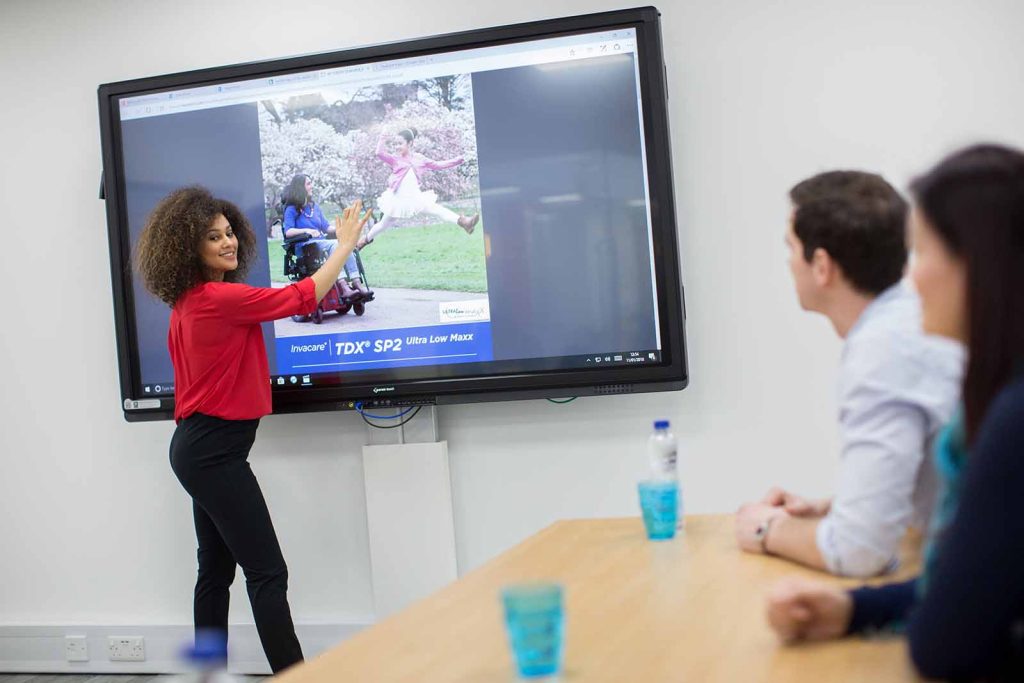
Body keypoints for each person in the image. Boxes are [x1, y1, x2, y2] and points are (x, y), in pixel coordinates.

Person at [765, 144, 1024, 681]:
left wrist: (764, 528)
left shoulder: (1013, 416)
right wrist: (858, 610)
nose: (914, 278)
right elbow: (973, 575)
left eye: (925, 254)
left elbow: (943, 640)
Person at [133, 186, 371, 673]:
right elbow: (301, 296)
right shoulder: (218, 299)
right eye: (213, 237)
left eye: (229, 233)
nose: (228, 243)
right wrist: (344, 245)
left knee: (215, 571)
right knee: (267, 572)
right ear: (187, 248)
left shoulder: (191, 302)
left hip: (198, 448)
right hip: (214, 452)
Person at [734, 171, 963, 577]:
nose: (788, 262)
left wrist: (765, 527)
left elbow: (858, 551)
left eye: (790, 248)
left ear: (821, 266)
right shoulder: (909, 323)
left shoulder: (884, 352)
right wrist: (837, 508)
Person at [356, 127, 480, 248]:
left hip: (415, 199)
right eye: (395, 144)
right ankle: (364, 240)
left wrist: (459, 160)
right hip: (398, 200)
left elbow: (438, 165)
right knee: (383, 224)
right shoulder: (395, 159)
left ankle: (464, 222)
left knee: (438, 210)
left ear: (410, 143)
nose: (397, 147)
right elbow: (379, 153)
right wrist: (383, 135)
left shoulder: (419, 158)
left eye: (400, 143)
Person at [281, 173, 371, 300]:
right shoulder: (291, 209)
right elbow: (288, 231)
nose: (312, 186)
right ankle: (344, 286)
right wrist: (307, 230)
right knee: (336, 245)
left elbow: (327, 228)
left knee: (346, 245)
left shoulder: (314, 207)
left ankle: (357, 283)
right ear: (301, 187)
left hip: (321, 243)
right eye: (308, 183)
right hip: (306, 246)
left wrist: (344, 228)